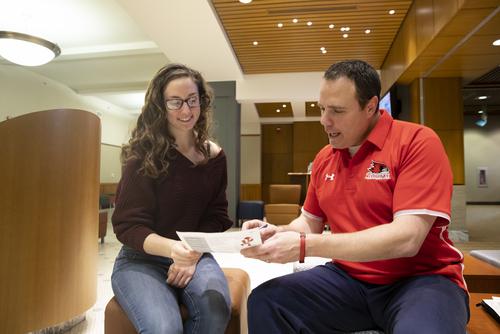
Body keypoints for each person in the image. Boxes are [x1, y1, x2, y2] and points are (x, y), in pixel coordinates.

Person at [241, 60, 469, 333]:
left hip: (421, 280)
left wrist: (304, 246)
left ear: (371, 106)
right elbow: (308, 223)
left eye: (337, 111)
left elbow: (407, 239)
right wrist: (276, 232)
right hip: (349, 278)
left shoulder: (417, 142)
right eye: (322, 109)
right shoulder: (325, 158)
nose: (324, 121)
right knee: (267, 301)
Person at [111, 63, 233, 334]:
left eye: (192, 100)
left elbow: (218, 216)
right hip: (140, 258)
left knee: (216, 309)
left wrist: (192, 253)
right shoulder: (142, 155)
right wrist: (175, 252)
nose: (187, 111)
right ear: (160, 106)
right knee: (163, 328)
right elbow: (127, 226)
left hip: (195, 253)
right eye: (175, 103)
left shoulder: (214, 156)